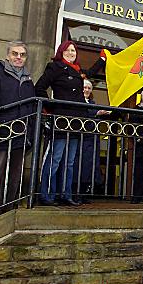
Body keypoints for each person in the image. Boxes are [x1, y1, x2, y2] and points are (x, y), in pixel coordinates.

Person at [35, 40, 105, 206]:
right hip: (61, 119)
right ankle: (47, 195)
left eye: (73, 50)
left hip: (76, 121)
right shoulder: (55, 67)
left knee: (70, 162)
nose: (71, 53)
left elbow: (90, 73)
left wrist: (102, 60)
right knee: (55, 159)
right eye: (67, 50)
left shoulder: (78, 70)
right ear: (61, 52)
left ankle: (65, 194)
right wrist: (51, 107)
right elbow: (40, 87)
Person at [0, 41, 36, 214]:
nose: (18, 57)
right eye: (15, 54)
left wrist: (30, 135)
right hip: (0, 134)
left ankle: (8, 209)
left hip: (21, 136)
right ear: (8, 55)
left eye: (22, 55)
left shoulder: (28, 80)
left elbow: (31, 109)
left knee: (14, 176)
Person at [72, 79, 110, 200]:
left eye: (89, 88)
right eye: (84, 87)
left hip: (91, 139)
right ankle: (74, 193)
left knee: (89, 167)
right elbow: (82, 114)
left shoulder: (93, 103)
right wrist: (97, 113)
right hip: (79, 139)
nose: (86, 90)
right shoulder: (77, 101)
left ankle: (83, 194)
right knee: (78, 166)